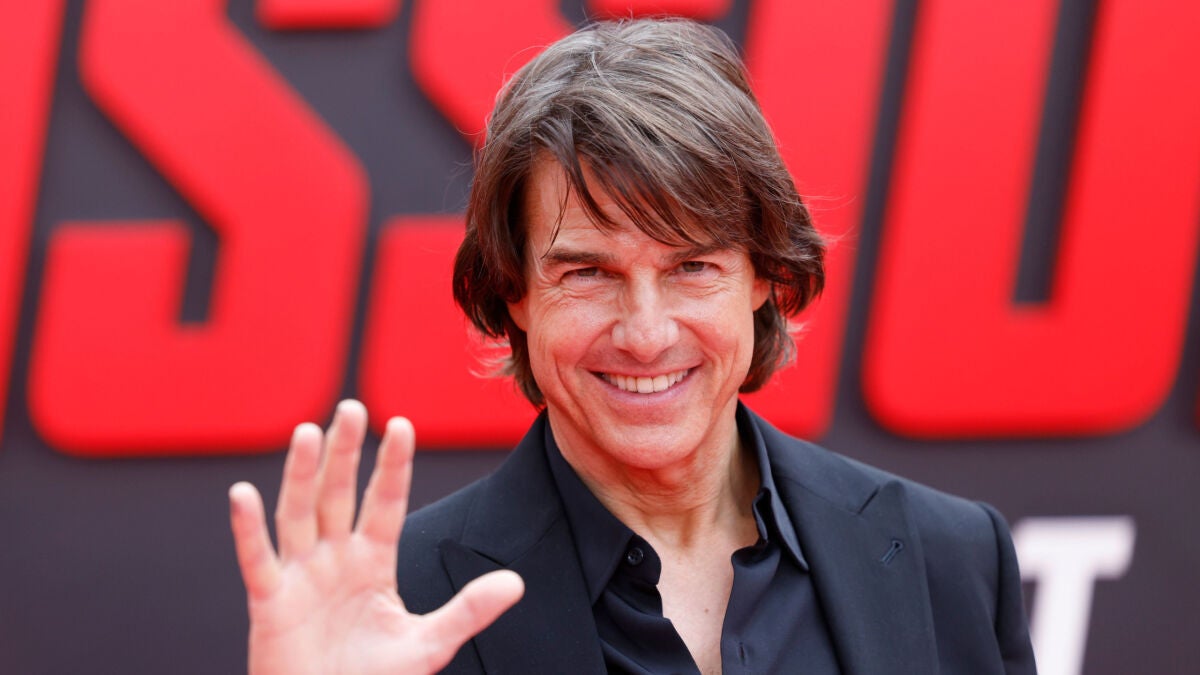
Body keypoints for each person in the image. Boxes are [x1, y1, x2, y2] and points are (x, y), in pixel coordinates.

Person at [228, 18, 1036, 674]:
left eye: (692, 267)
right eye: (588, 272)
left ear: (763, 273)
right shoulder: (400, 602)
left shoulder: (951, 558)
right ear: (514, 291)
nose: (646, 334)